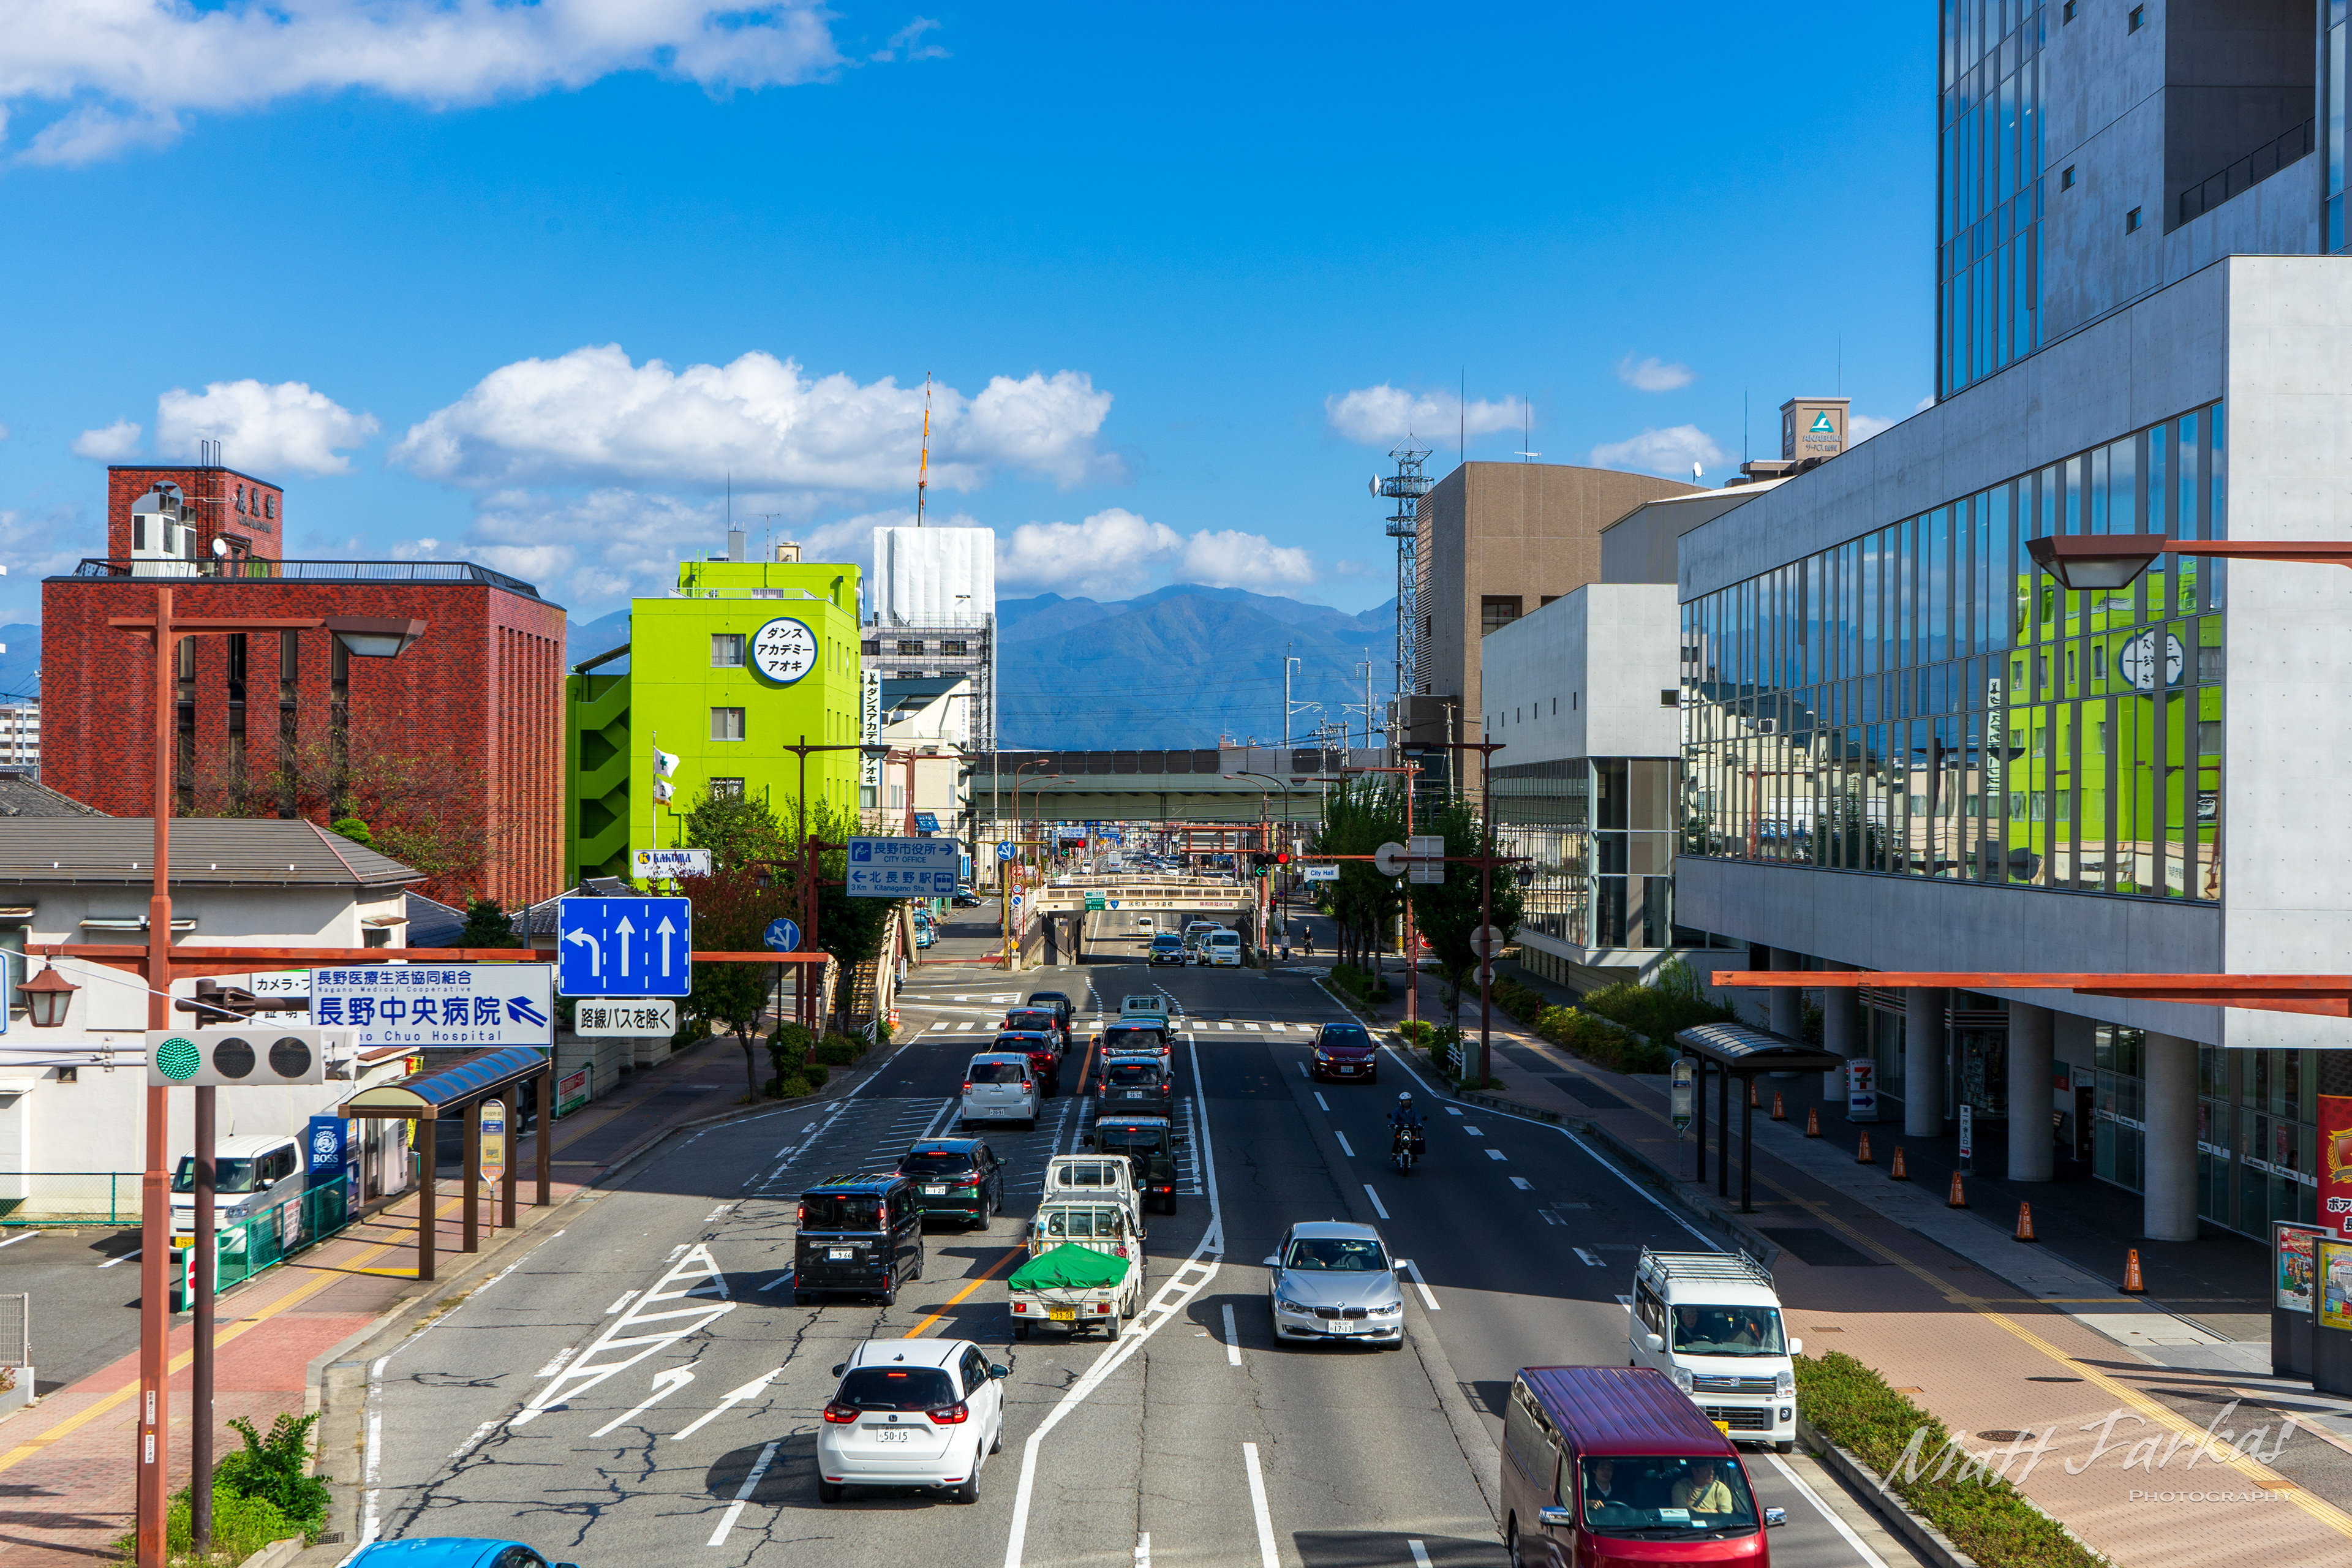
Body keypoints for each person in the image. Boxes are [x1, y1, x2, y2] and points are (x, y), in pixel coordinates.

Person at [1670, 1459, 1735, 1515]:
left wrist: (1694, 1510)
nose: (1711, 1472)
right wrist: (1714, 1511)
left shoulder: (1720, 1488)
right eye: (1706, 1469)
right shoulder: (1681, 1487)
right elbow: (1681, 1511)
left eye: (1712, 1468)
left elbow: (1726, 1514)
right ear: (1694, 1471)